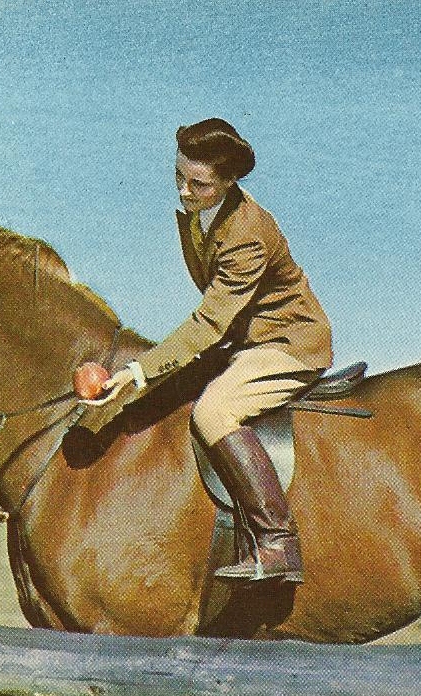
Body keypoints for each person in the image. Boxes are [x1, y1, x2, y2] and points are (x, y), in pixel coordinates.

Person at [96, 118, 333, 583]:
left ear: (229, 182)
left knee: (213, 413)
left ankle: (278, 543)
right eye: (178, 176)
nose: (184, 191)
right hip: (244, 339)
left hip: (288, 343)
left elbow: (210, 320)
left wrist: (141, 370)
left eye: (198, 185)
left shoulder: (248, 232)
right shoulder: (196, 211)